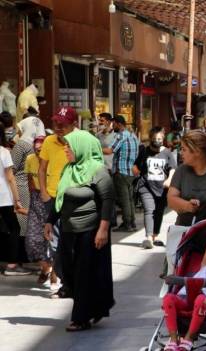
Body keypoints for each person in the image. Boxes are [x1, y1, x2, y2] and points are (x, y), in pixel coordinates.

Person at [43, 129, 115, 332]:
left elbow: (108, 201)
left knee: (83, 273)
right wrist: (50, 221)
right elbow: (60, 198)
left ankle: (80, 318)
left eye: (69, 146)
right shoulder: (69, 169)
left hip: (90, 231)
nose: (66, 149)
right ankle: (93, 306)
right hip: (68, 229)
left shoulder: (98, 170)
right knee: (66, 269)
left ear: (81, 147)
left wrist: (103, 229)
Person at [161, 206, 206, 351]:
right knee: (168, 298)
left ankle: (188, 339)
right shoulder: (205, 266)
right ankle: (174, 340)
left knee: (200, 299)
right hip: (186, 300)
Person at [39, 107, 76, 294]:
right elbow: (42, 168)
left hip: (73, 198)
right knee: (54, 240)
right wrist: (44, 191)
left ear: (73, 124)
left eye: (63, 124)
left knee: (69, 240)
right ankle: (59, 277)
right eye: (56, 123)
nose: (58, 127)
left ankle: (66, 278)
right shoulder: (48, 141)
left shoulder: (79, 141)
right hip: (52, 197)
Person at [133, 127, 176, 249]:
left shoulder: (167, 152)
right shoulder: (144, 151)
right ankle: (148, 237)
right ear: (150, 139)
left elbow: (172, 168)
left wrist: (169, 179)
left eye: (160, 139)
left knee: (159, 211)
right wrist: (136, 171)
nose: (157, 141)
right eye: (155, 139)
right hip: (146, 186)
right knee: (149, 209)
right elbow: (136, 166)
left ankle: (154, 236)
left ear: (163, 139)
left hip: (162, 188)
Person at [0, 120, 29, 276]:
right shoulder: (4, 152)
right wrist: (17, 200)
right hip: (4, 197)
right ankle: (12, 265)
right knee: (14, 228)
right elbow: (11, 178)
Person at [25, 136, 55, 285]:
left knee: (54, 239)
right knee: (32, 239)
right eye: (36, 149)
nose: (38, 152)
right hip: (36, 199)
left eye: (41, 150)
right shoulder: (30, 159)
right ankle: (45, 268)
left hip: (51, 198)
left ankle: (55, 274)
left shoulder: (53, 160)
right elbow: (29, 179)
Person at [104, 115, 139, 232]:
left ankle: (127, 223)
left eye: (113, 124)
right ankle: (132, 222)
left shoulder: (121, 136)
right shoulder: (132, 135)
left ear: (118, 124)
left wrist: (94, 147)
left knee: (124, 199)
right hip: (130, 172)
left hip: (121, 172)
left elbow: (109, 151)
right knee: (129, 199)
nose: (112, 126)